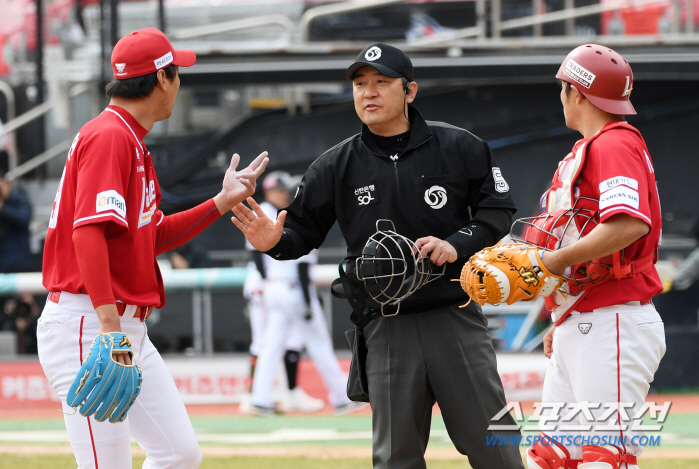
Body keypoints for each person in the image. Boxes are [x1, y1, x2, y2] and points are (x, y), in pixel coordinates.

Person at [232, 43, 523, 468]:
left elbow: (497, 210)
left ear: (410, 91)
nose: (368, 93)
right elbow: (297, 234)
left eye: (381, 83)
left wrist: (455, 244)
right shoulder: (334, 165)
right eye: (359, 84)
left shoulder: (460, 146)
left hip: (455, 317)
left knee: (497, 451)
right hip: (384, 328)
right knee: (394, 460)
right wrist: (271, 242)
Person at [36, 27, 268, 469]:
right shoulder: (111, 136)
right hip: (91, 323)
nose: (179, 84)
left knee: (179, 453)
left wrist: (221, 202)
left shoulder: (128, 139)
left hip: (119, 325)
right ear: (162, 78)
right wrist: (109, 328)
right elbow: (86, 233)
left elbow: (152, 235)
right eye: (177, 73)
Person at [526, 45, 665, 469]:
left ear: (577, 92)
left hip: (614, 321)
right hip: (587, 318)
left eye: (564, 88)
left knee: (605, 458)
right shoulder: (594, 147)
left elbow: (629, 225)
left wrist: (551, 263)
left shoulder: (613, 143)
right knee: (549, 458)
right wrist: (562, 313)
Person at [245, 170, 362, 416]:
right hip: (293, 289)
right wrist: (309, 301)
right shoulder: (298, 216)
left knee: (270, 345)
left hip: (274, 288)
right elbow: (300, 266)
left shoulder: (278, 213)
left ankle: (260, 399)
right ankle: (341, 398)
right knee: (318, 343)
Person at [240, 171, 325, 414]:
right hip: (264, 284)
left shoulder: (281, 211)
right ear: (269, 191)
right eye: (280, 190)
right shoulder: (265, 209)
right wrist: (267, 283)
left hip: (273, 284)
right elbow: (256, 254)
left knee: (287, 340)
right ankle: (252, 395)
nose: (285, 194)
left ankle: (281, 393)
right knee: (262, 341)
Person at [0, 175, 34, 273]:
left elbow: (23, 218)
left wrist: (3, 209)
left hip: (19, 260)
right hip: (3, 260)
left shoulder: (19, 199)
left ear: (7, 184)